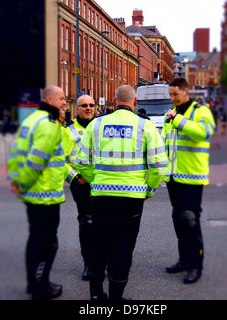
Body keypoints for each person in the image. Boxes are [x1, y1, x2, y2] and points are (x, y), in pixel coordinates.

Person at [71, 85, 168, 300]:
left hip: (102, 195)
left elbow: (79, 159)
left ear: (114, 102)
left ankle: (96, 296)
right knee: (124, 248)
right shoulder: (146, 126)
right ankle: (116, 297)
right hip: (132, 197)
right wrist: (149, 189)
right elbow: (160, 165)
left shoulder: (96, 124)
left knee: (99, 244)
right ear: (135, 103)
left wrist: (95, 179)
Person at [7, 85, 72, 300]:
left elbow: (16, 152)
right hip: (44, 194)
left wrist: (18, 181)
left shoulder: (32, 120)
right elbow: (37, 159)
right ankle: (40, 287)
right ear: (50, 99)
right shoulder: (49, 124)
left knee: (35, 239)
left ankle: (32, 283)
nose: (64, 102)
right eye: (62, 99)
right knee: (47, 243)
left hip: (33, 194)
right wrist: (24, 183)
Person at [162, 77, 215, 284]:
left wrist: (178, 120)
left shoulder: (201, 111)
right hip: (173, 176)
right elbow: (167, 145)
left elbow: (203, 133)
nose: (172, 98)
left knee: (189, 219)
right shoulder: (171, 116)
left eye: (175, 94)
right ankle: (183, 260)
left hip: (193, 176)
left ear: (186, 92)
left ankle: (195, 265)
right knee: (178, 219)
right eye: (170, 95)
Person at [63, 95, 96, 281]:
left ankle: (102, 261)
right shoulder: (68, 130)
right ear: (77, 108)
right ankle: (88, 264)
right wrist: (75, 178)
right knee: (87, 223)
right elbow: (60, 160)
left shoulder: (100, 126)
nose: (88, 108)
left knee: (104, 224)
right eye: (84, 105)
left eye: (91, 105)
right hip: (81, 184)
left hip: (102, 183)